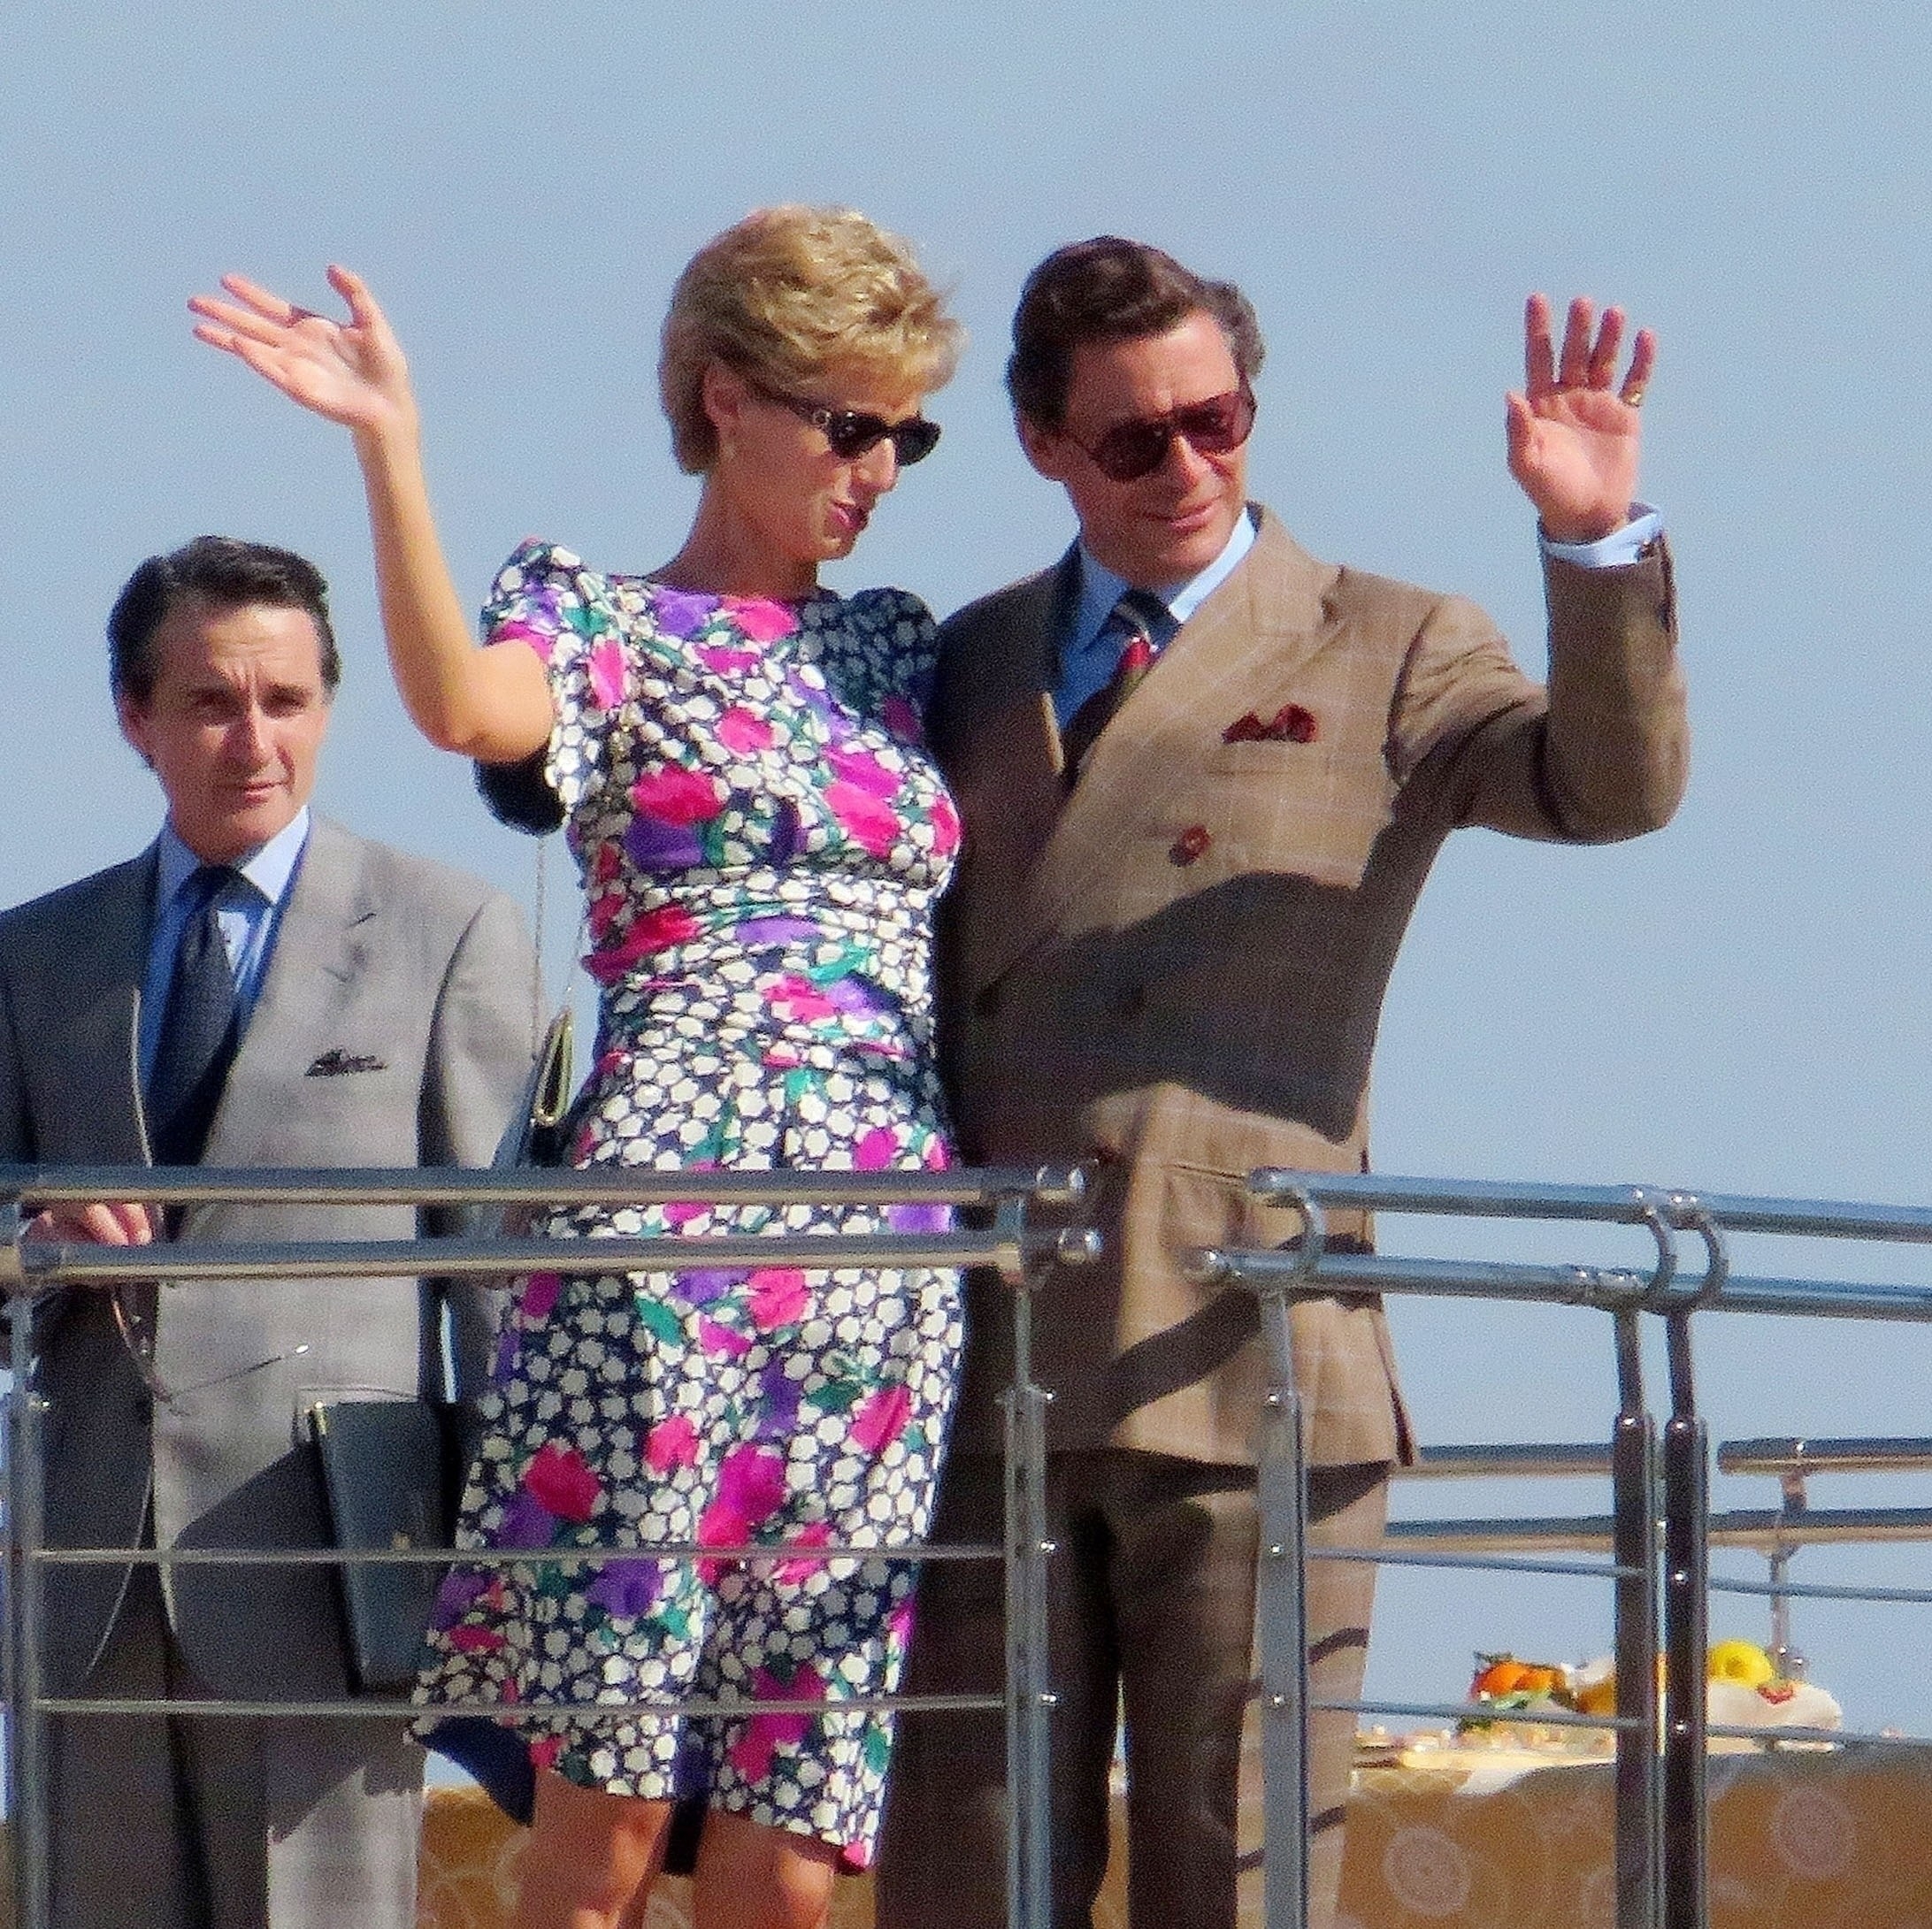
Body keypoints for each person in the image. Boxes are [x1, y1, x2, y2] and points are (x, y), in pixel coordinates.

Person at [877, 239, 1689, 1929]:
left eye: (1217, 420)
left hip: (1250, 1354)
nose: (1186, 466)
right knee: (962, 1879)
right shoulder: (963, 661)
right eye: (1132, 440)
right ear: (1042, 444)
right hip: (982, 1364)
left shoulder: (1386, 642)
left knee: (1232, 1880)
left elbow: (1610, 787)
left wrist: (1590, 538)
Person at [190, 204, 967, 1929]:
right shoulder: (602, 617)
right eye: (846, 420)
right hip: (665, 1262)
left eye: (904, 429)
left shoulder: (904, 648)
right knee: (603, 1830)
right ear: (723, 398)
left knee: (792, 1855)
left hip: (882, 1283)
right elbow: (471, 709)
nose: (879, 466)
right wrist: (392, 447)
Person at [0, 534, 536, 1929]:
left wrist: (517, 1580)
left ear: (329, 706)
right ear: (135, 714)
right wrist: (31, 1233)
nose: (254, 739)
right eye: (212, 702)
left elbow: (498, 1288)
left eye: (287, 701)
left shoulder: (449, 930)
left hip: (335, 1581)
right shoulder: (31, 954)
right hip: (87, 1585)